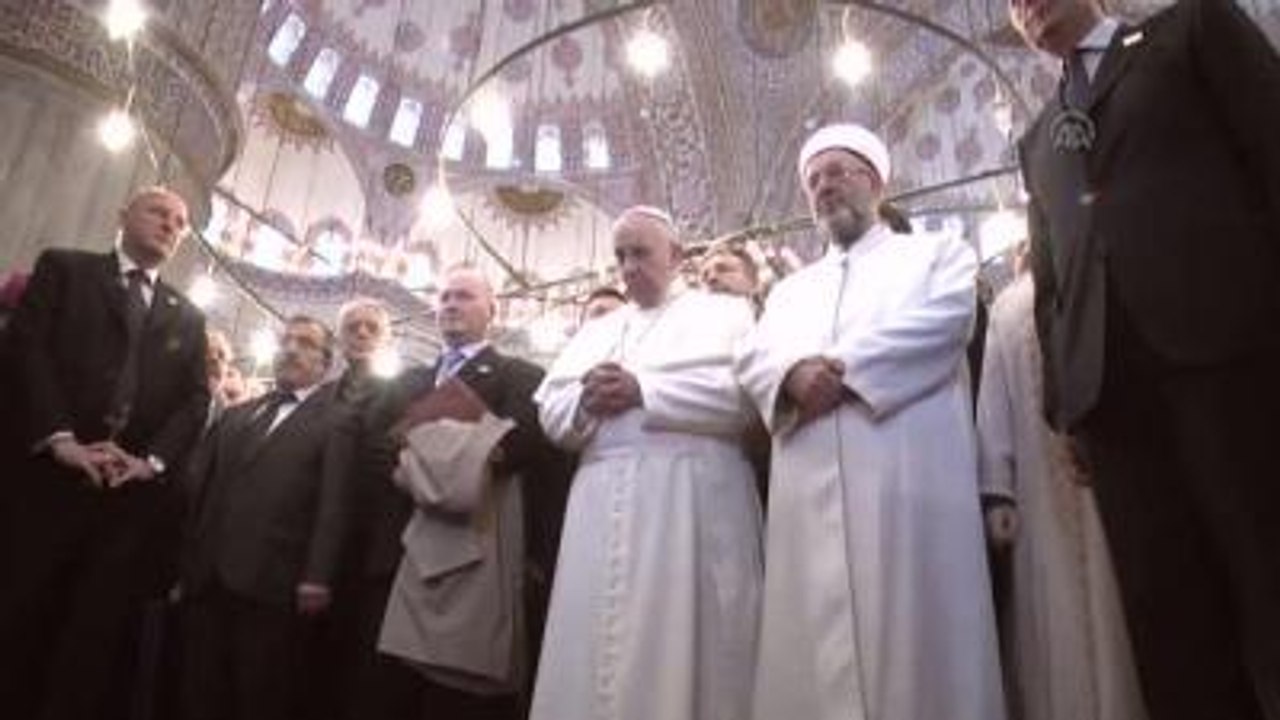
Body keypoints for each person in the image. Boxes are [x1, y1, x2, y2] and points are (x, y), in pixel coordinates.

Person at [1009, 1, 1280, 717]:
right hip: (1114, 406)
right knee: (1171, 623)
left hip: (1229, 358)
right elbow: (1052, 286)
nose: (1024, 5)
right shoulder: (1038, 140)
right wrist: (1065, 407)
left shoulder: (1188, 33)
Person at [737, 124, 1004, 720]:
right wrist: (790, 376)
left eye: (837, 172)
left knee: (919, 641)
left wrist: (840, 372)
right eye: (813, 180)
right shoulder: (789, 292)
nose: (823, 186)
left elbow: (945, 321)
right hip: (808, 496)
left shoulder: (937, 254)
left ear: (877, 183)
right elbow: (752, 356)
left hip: (909, 489)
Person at [530, 206, 762, 720]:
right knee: (592, 642)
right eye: (621, 256)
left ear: (676, 256)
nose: (629, 267)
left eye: (641, 253)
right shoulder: (597, 330)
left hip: (689, 502)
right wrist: (585, 401)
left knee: (684, 641)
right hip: (597, 504)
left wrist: (644, 390)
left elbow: (744, 400)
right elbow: (549, 413)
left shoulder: (726, 315)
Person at [0, 186, 210, 720]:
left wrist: (150, 462)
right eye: (158, 212)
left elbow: (194, 401)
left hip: (122, 501)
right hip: (44, 484)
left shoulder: (188, 317)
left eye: (180, 223)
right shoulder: (65, 270)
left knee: (86, 642)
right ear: (123, 216)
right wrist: (61, 440)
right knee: (18, 617)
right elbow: (26, 350)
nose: (170, 225)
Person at [345, 265, 570, 720]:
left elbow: (516, 446)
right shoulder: (405, 382)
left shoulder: (520, 376)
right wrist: (459, 452)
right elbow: (375, 452)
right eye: (444, 296)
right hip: (395, 556)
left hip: (473, 561)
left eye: (464, 296)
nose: (450, 304)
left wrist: (418, 458)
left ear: (493, 310)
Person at [976, 250, 1145, 720]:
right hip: (1040, 490)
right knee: (1056, 613)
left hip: (1105, 479)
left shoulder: (1092, 288)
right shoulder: (1008, 311)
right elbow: (994, 408)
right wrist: (999, 490)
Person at [178, 315, 356, 720]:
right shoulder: (238, 414)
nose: (291, 349)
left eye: (305, 343)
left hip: (273, 583)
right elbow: (202, 490)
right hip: (207, 577)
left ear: (326, 362)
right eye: (286, 340)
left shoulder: (338, 421)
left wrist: (318, 576)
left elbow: (334, 504)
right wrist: (186, 561)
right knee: (197, 692)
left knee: (257, 695)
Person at [335, 296, 393, 405]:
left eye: (372, 328)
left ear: (386, 339)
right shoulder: (317, 398)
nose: (362, 333)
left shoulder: (404, 397)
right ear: (339, 339)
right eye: (352, 327)